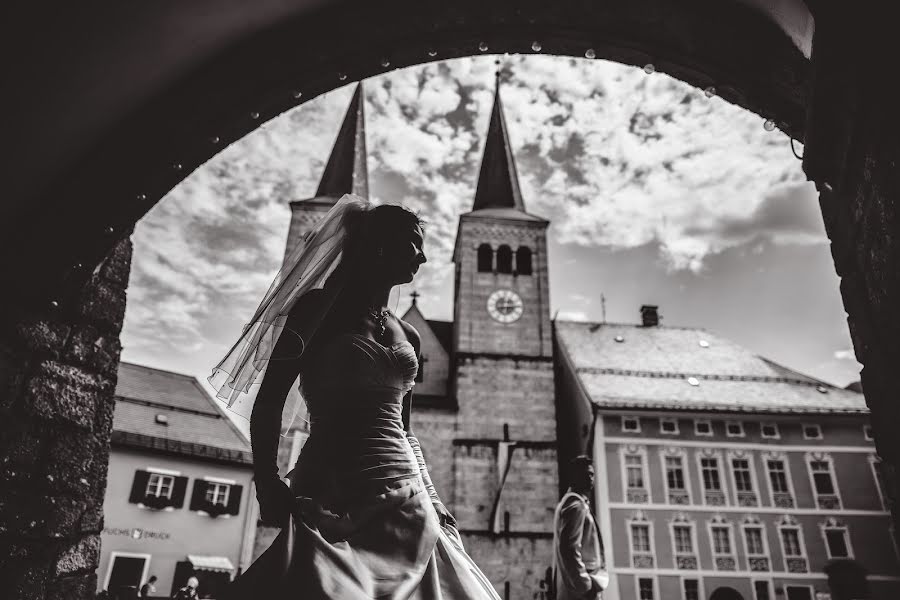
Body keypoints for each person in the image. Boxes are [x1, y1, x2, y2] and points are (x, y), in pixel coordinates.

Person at [210, 195, 500, 599]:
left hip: (405, 491)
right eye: (414, 245)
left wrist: (433, 499)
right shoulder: (315, 311)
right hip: (334, 485)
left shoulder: (410, 335)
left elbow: (405, 429)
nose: (424, 258)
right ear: (380, 246)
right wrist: (266, 479)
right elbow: (271, 399)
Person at [553, 456, 608, 600]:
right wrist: (584, 584)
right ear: (574, 477)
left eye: (592, 474)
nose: (590, 478)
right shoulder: (576, 506)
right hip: (581, 592)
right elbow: (569, 548)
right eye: (585, 475)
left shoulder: (575, 503)